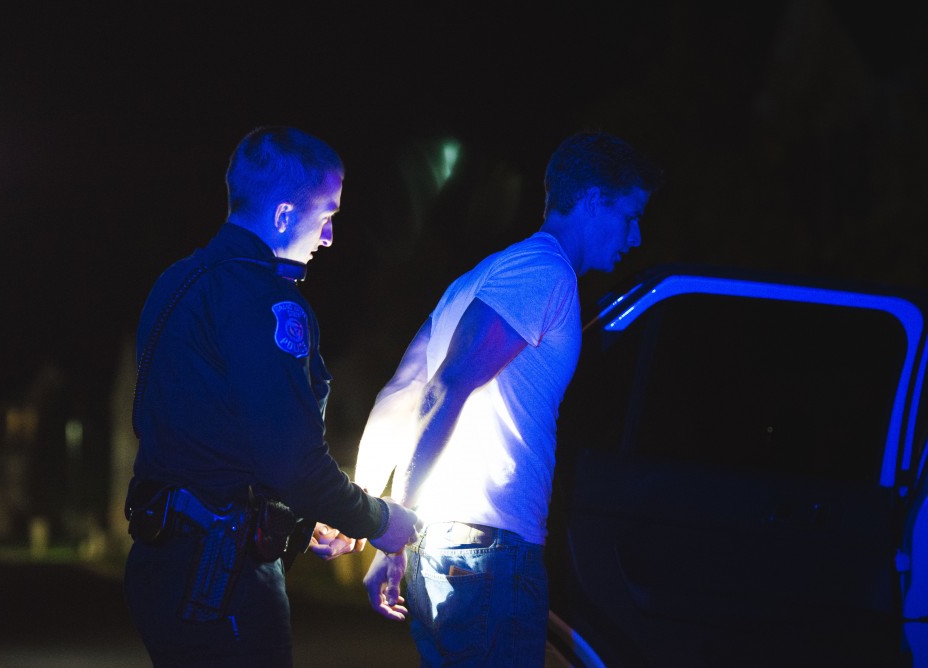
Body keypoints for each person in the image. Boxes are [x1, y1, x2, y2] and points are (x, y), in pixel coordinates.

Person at [355, 131, 661, 666]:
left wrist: (374, 515)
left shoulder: (475, 279)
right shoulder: (545, 273)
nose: (635, 237)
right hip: (489, 555)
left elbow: (401, 390)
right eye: (630, 215)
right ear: (592, 199)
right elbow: (444, 386)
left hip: (448, 547)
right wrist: (392, 517)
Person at [123, 126, 419, 668]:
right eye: (326, 214)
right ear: (283, 216)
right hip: (218, 576)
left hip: (166, 562)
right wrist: (382, 522)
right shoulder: (265, 301)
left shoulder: (178, 281)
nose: (329, 236)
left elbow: (215, 437)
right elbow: (293, 462)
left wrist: (310, 514)